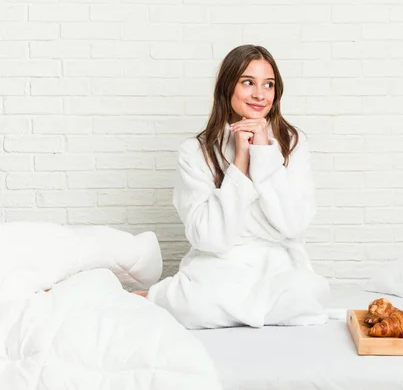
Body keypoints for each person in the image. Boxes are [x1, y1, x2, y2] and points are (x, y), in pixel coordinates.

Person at [140, 44, 330, 329]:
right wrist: (241, 162)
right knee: (200, 304)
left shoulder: (292, 142)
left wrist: (264, 151)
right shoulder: (195, 151)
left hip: (277, 264)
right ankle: (160, 297)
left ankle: (221, 307)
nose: (260, 94)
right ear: (227, 86)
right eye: (248, 83)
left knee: (306, 296)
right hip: (220, 263)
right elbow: (211, 238)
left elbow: (294, 224)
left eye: (269, 85)